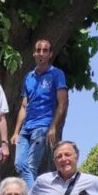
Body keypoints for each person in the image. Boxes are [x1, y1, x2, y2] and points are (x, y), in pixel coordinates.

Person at [11, 39, 68, 187]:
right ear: (34, 53)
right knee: (19, 165)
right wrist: (16, 131)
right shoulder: (28, 77)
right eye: (38, 50)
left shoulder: (56, 74)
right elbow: (24, 106)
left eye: (45, 50)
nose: (41, 53)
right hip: (26, 127)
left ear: (50, 54)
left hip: (43, 125)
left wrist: (53, 126)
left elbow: (62, 103)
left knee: (30, 166)